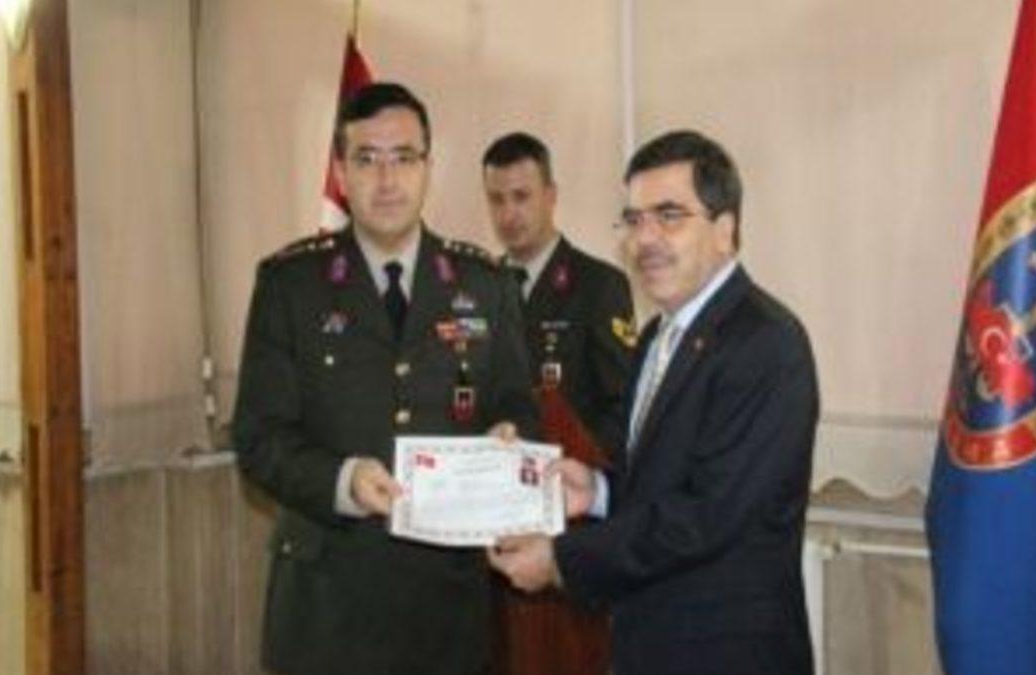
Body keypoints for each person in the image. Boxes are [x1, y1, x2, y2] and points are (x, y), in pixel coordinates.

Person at [487, 130, 820, 675]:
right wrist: (596, 491)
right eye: (634, 219)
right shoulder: (657, 337)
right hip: (650, 641)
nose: (645, 238)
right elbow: (658, 481)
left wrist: (561, 560)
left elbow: (708, 515)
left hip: (725, 654)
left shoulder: (766, 342)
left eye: (669, 216)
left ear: (725, 230)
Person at [233, 82, 537, 675]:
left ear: (428, 168)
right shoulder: (290, 285)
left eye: (404, 157)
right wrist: (343, 480)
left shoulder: (484, 283)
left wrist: (509, 438)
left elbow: (517, 406)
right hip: (326, 605)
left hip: (446, 605)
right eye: (367, 159)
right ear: (340, 174)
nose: (388, 179)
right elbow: (258, 439)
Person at [481, 132, 636, 675]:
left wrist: (581, 477)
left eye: (522, 196)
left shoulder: (598, 285)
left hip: (567, 524)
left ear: (551, 195)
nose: (509, 214)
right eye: (497, 199)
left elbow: (621, 409)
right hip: (494, 521)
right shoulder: (476, 289)